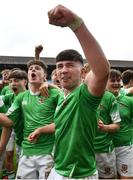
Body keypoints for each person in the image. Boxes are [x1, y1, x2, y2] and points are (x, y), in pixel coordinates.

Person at [46, 4, 110, 179]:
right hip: (58, 169)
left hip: (78, 175)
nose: (63, 70)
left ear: (83, 72)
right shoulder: (61, 96)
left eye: (70, 65)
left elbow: (102, 71)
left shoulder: (85, 95)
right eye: (59, 66)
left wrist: (76, 24)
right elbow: (61, 128)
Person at [0, 59, 60, 179]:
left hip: (49, 152)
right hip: (27, 151)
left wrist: (51, 85)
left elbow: (64, 121)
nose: (33, 70)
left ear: (45, 76)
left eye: (37, 69)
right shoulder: (21, 97)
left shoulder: (55, 94)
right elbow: (9, 121)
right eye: (30, 69)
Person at [0, 69, 27, 178]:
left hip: (30, 141)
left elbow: (8, 122)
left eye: (16, 80)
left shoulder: (28, 96)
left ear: (25, 82)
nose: (12, 84)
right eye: (10, 81)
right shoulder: (12, 96)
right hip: (19, 137)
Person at [106, 69, 133, 179]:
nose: (116, 83)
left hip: (125, 146)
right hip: (105, 148)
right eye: (112, 80)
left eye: (118, 80)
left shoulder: (128, 100)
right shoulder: (97, 100)